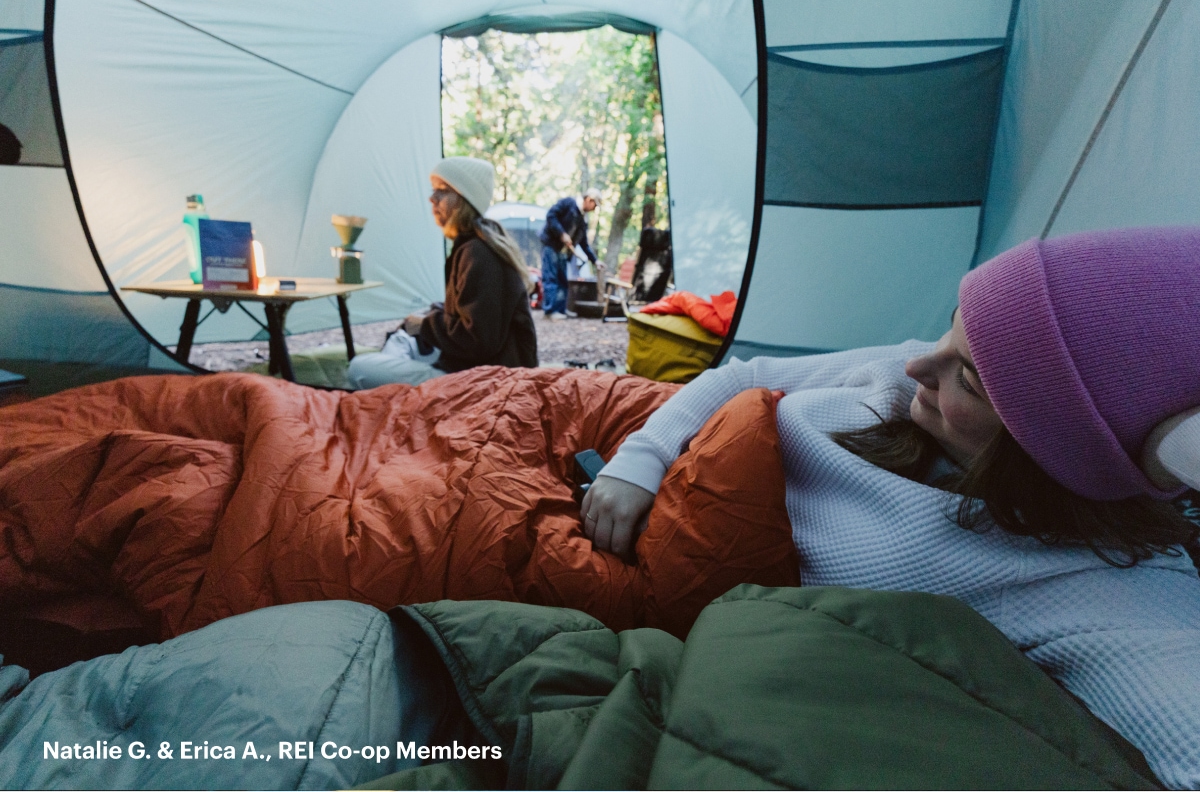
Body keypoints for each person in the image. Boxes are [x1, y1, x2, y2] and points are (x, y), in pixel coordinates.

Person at [582, 227, 1200, 788]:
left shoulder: (1100, 589)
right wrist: (644, 455)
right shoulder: (908, 382)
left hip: (664, 595)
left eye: (969, 379)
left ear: (1047, 451)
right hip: (642, 476)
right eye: (955, 326)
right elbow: (748, 376)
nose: (917, 364)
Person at [347, 156, 538, 389]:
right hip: (470, 368)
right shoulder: (474, 245)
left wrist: (426, 325)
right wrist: (433, 314)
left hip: (484, 383)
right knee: (402, 339)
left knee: (360, 368)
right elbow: (472, 316)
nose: (432, 198)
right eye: (434, 190)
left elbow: (479, 342)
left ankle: (405, 399)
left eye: (442, 191)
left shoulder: (479, 254)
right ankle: (401, 396)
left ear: (463, 201)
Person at [540, 188, 603, 320]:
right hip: (551, 246)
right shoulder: (568, 203)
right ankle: (549, 311)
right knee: (551, 278)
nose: (594, 208)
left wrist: (595, 260)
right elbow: (551, 215)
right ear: (588, 199)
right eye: (594, 205)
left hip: (564, 252)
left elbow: (584, 243)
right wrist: (561, 233)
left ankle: (561, 310)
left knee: (563, 280)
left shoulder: (582, 218)